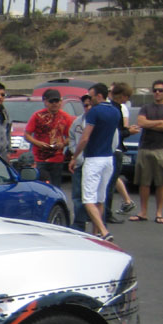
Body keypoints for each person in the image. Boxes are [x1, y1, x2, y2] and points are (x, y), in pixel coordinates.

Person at [70, 83, 121, 241]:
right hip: (108, 158)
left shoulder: (94, 112)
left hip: (93, 158)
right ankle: (96, 232)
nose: (89, 100)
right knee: (100, 198)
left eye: (91, 96)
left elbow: (85, 137)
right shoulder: (115, 111)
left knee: (88, 199)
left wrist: (74, 156)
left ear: (99, 95)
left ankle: (104, 231)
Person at [130, 79, 163, 223]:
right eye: (155, 90)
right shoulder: (146, 107)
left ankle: (159, 213)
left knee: (161, 182)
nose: (157, 92)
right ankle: (143, 212)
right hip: (145, 147)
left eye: (161, 90)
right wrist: (160, 122)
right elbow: (141, 122)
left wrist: (150, 124)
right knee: (143, 182)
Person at [23, 88, 74, 187]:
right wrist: (38, 143)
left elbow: (71, 137)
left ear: (61, 101)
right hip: (40, 158)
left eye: (57, 101)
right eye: (52, 101)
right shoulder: (37, 116)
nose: (54, 104)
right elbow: (27, 135)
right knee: (41, 186)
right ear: (46, 102)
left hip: (57, 158)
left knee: (55, 186)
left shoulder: (66, 117)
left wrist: (62, 144)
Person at [105, 82, 138, 221]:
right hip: (115, 149)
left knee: (107, 183)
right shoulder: (115, 109)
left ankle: (105, 212)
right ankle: (107, 213)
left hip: (109, 149)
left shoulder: (109, 107)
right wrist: (129, 131)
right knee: (110, 183)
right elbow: (115, 132)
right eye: (127, 96)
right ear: (123, 96)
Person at [64, 94, 92, 231]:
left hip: (95, 163)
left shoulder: (102, 121)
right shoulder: (78, 122)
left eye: (90, 105)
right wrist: (76, 155)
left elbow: (113, 142)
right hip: (80, 163)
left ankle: (98, 223)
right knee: (77, 195)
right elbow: (72, 139)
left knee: (94, 196)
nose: (88, 108)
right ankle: (79, 223)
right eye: (86, 105)